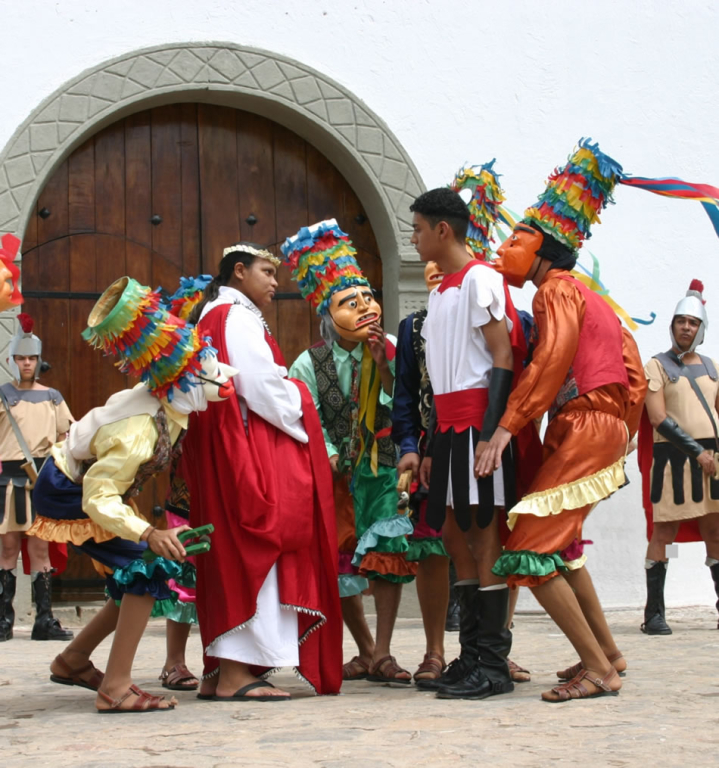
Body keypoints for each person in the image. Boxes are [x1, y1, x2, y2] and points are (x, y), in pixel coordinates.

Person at [478, 139, 647, 702]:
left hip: (585, 423)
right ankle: (608, 654)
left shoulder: (554, 292)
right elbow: (634, 370)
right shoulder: (589, 294)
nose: (506, 248)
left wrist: (507, 425)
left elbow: (551, 361)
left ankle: (600, 670)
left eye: (517, 238)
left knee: (527, 546)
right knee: (561, 545)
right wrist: (620, 430)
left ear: (545, 249)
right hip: (601, 424)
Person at [29, 276, 237, 712]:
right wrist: (147, 533)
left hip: (84, 485)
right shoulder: (139, 428)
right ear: (181, 379)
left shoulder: (168, 399)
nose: (219, 377)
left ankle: (73, 660)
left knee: (132, 577)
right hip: (70, 490)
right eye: (206, 367)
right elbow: (98, 496)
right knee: (146, 572)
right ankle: (116, 688)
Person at [182, 243, 343, 702]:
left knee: (232, 550)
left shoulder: (214, 315)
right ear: (239, 271)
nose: (275, 282)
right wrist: (302, 402)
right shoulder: (235, 316)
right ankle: (235, 673)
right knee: (257, 546)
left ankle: (225, 670)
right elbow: (260, 387)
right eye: (267, 272)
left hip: (225, 445)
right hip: (246, 448)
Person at [410, 171, 538, 700]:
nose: (413, 238)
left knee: (483, 535)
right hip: (446, 429)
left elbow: (502, 358)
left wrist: (490, 435)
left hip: (477, 426)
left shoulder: (482, 280)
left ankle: (494, 664)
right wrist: (432, 447)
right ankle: (469, 657)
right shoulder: (442, 293)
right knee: (453, 538)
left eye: (418, 229)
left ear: (444, 229)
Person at [284, 220, 417, 685]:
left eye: (367, 297)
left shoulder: (393, 348)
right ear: (328, 312)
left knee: (386, 555)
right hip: (337, 474)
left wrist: (382, 363)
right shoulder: (308, 361)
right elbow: (307, 416)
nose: (364, 308)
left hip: (381, 470)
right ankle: (365, 649)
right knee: (341, 560)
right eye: (349, 301)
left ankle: (382, 650)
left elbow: (400, 405)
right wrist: (329, 455)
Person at [638, 280, 719, 634]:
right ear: (672, 325)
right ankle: (654, 612)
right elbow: (658, 418)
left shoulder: (713, 367)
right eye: (681, 321)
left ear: (700, 329)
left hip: (712, 461)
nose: (686, 327)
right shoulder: (656, 366)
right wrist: (697, 452)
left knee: (715, 532)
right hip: (674, 459)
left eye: (693, 323)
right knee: (664, 534)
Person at [392, 258, 451, 684]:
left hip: (483, 445)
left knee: (493, 545)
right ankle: (434, 651)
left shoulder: (499, 316)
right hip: (433, 449)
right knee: (432, 550)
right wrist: (410, 446)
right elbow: (405, 398)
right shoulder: (413, 330)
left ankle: (494, 646)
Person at [0, 313, 74, 642]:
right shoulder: (2, 394)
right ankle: (3, 620)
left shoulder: (53, 397)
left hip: (41, 478)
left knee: (41, 549)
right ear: (11, 360)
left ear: (38, 360)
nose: (26, 363)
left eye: (31, 358)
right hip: (8, 481)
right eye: (21, 358)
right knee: (7, 548)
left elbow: (66, 438)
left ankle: (44, 621)